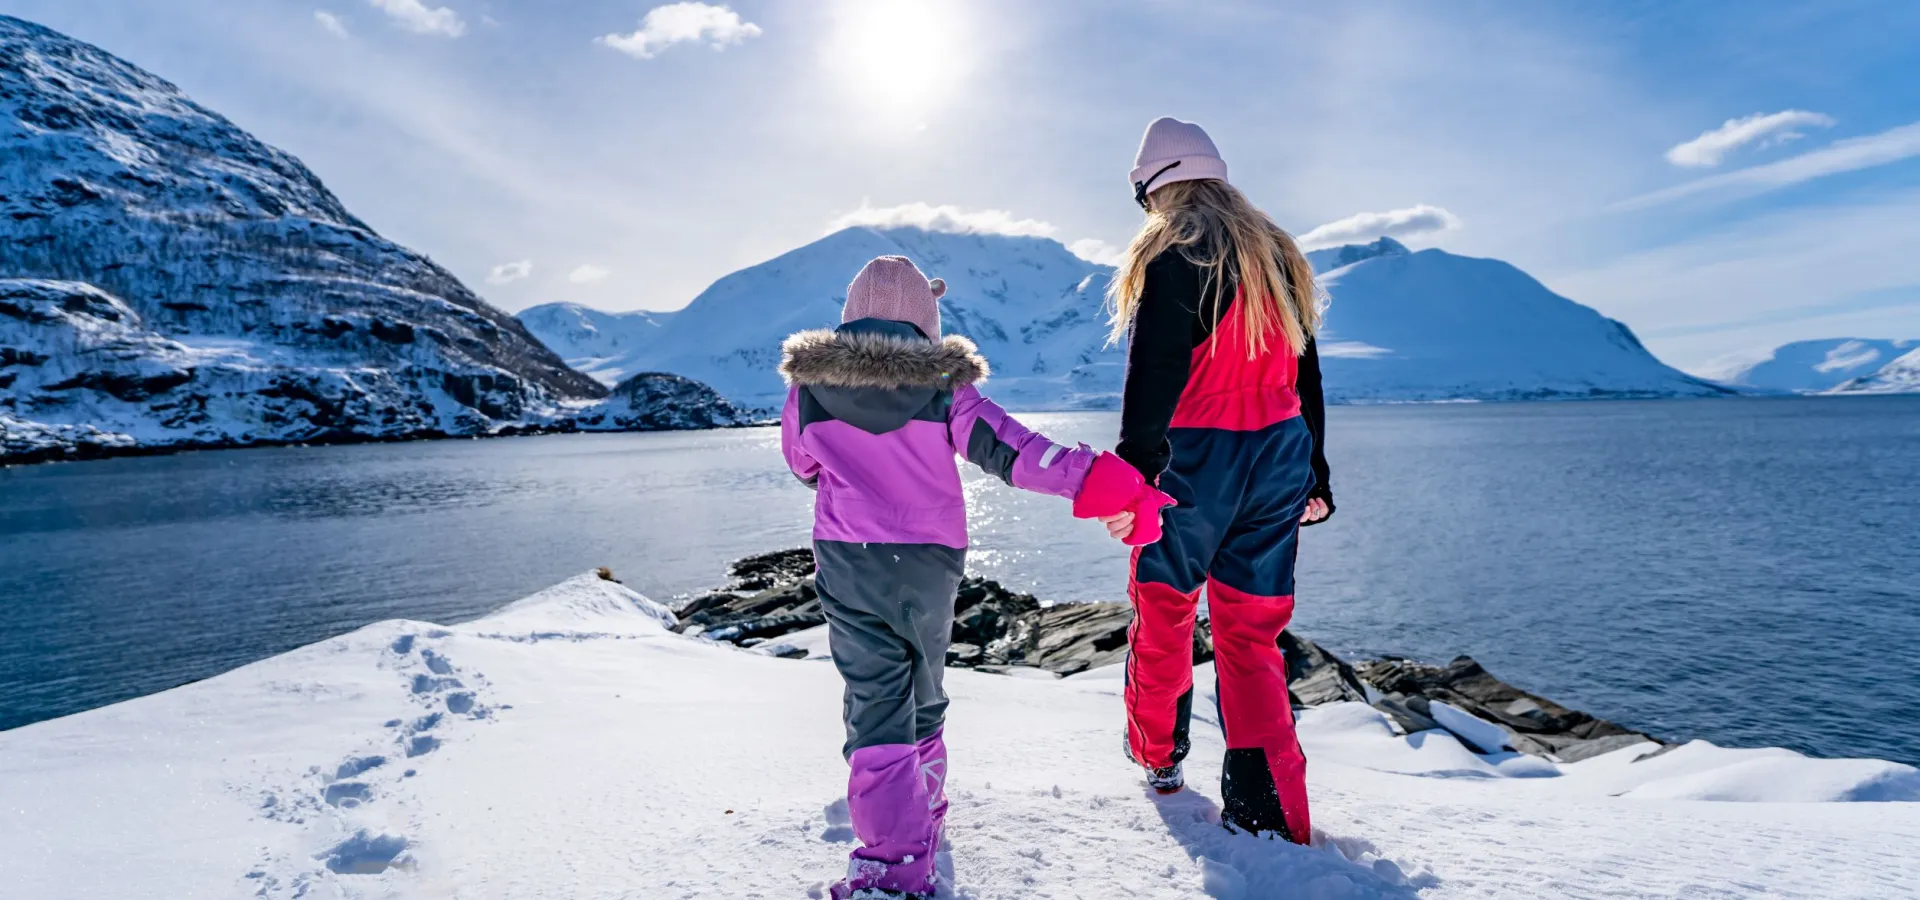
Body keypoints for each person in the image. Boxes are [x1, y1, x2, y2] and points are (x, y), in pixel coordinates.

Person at [779, 255, 1171, 899]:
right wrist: (1109, 482)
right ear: (927, 325)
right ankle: (925, 811)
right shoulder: (945, 389)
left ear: (849, 319)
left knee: (876, 697)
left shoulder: (809, 391)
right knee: (923, 677)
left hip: (849, 556)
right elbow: (1017, 452)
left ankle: (892, 865)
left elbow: (802, 464)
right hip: (932, 557)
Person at [1100, 117, 1335, 845]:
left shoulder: (1176, 251)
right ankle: (1272, 814)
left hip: (1193, 461)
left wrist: (1132, 475)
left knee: (1164, 609)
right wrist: (1316, 473)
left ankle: (1159, 758)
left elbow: (1157, 372)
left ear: (1155, 187)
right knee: (1253, 631)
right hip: (1279, 456)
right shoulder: (1275, 252)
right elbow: (1304, 370)